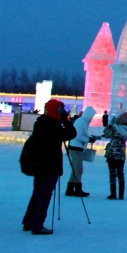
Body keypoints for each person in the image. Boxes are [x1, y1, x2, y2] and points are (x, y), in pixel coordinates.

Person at [22, 99, 77, 235]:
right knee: (44, 194)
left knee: (37, 193)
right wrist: (65, 119)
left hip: (39, 164)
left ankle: (29, 221)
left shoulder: (41, 123)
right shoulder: (52, 126)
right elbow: (71, 134)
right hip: (50, 165)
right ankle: (37, 224)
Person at [66, 106, 99, 197]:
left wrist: (88, 138)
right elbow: (78, 136)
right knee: (79, 170)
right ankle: (77, 189)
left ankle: (70, 189)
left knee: (75, 169)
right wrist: (88, 139)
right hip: (76, 148)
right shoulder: (82, 122)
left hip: (76, 147)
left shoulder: (82, 121)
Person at [102, 111, 127, 199]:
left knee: (112, 173)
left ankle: (113, 194)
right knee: (120, 173)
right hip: (121, 154)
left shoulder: (114, 128)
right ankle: (121, 194)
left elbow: (106, 133)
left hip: (112, 153)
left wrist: (111, 124)